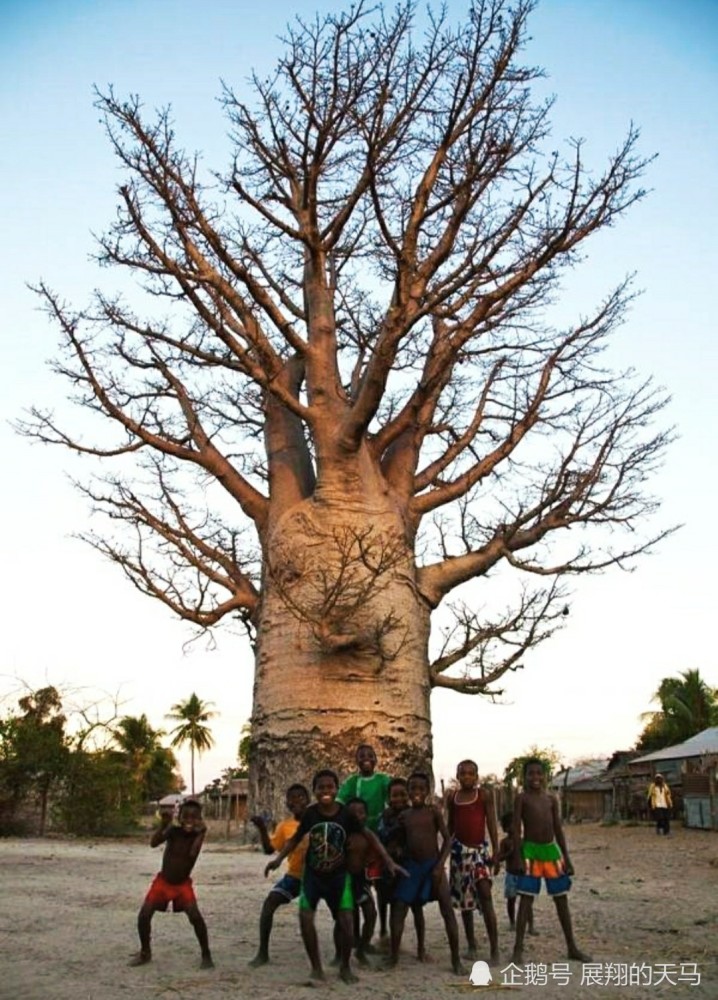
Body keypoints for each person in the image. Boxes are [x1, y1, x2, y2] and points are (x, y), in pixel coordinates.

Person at [265, 768, 406, 984]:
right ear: (315, 791)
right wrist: (278, 859)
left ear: (336, 789)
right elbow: (295, 839)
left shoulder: (345, 814)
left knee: (346, 921)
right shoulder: (311, 814)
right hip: (313, 876)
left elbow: (368, 834)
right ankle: (316, 968)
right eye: (321, 787)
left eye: (330, 786)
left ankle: (345, 966)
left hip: (339, 877)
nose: (326, 791)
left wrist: (388, 860)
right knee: (305, 918)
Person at [509, 759, 591, 965]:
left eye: (539, 773)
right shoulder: (522, 798)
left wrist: (567, 858)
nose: (535, 777)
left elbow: (558, 829)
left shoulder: (551, 799)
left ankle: (572, 946)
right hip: (530, 851)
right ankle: (517, 949)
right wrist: (518, 857)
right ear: (524, 776)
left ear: (545, 775)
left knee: (561, 900)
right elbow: (516, 829)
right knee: (526, 900)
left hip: (551, 852)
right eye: (531, 774)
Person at [387, 771, 464, 975]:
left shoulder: (434, 812)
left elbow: (448, 840)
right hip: (412, 867)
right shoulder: (404, 816)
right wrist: (397, 851)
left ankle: (456, 960)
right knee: (400, 908)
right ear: (408, 791)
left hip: (433, 865)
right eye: (413, 789)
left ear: (428, 791)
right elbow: (397, 840)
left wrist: (440, 866)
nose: (417, 793)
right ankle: (393, 957)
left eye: (421, 789)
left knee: (447, 909)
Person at [130, 798, 213, 969]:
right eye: (186, 816)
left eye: (194, 817)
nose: (190, 821)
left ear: (200, 820)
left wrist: (201, 834)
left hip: (182, 885)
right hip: (163, 881)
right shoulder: (173, 831)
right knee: (144, 915)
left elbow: (193, 854)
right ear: (180, 817)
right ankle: (145, 952)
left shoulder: (196, 836)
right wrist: (164, 825)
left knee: (195, 917)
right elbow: (154, 843)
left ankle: (206, 953)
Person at [248, 783, 310, 967]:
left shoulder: (317, 819)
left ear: (308, 800)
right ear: (287, 803)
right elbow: (269, 849)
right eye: (291, 798)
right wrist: (261, 828)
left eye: (300, 796)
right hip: (296, 876)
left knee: (341, 910)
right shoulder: (285, 826)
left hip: (320, 878)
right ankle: (262, 953)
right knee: (269, 903)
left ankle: (345, 950)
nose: (296, 800)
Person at [446, 759, 500, 962]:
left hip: (479, 853)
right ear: (457, 776)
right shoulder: (453, 798)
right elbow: (450, 827)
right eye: (463, 773)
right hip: (459, 855)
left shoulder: (483, 795)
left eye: (471, 773)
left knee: (485, 894)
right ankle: (471, 944)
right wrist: (444, 853)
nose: (467, 777)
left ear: (476, 776)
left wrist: (495, 851)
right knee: (465, 902)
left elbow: (492, 823)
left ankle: (494, 948)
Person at [377, 777, 426, 961]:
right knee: (393, 906)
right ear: (389, 798)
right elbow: (382, 836)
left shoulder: (414, 813)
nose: (399, 798)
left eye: (402, 794)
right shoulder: (386, 816)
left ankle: (421, 948)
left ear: (409, 795)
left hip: (411, 866)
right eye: (394, 795)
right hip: (390, 867)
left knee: (416, 909)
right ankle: (392, 949)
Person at [342, 797, 378, 965]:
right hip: (344, 882)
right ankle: (342, 953)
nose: (357, 816)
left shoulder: (368, 835)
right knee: (345, 919)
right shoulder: (342, 835)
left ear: (366, 815)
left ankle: (362, 948)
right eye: (352, 813)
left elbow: (374, 855)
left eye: (361, 812)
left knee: (371, 914)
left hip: (360, 881)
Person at [497, 811, 535, 935]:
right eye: (513, 824)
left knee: (526, 901)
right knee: (511, 900)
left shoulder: (523, 841)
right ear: (507, 828)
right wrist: (509, 852)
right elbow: (500, 857)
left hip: (522, 874)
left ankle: (530, 925)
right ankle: (512, 922)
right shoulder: (505, 842)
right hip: (511, 874)